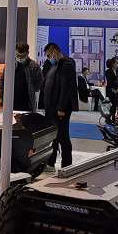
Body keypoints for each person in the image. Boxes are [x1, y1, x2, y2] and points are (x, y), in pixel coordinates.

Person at [38, 42, 78, 172]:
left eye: (49, 55)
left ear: (55, 51)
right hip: (51, 106)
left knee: (62, 136)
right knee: (52, 136)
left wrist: (61, 107)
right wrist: (45, 105)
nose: (48, 58)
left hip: (60, 108)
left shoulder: (67, 65)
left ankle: (66, 165)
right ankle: (50, 162)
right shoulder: (53, 66)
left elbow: (66, 88)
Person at [0, 41, 43, 112]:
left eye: (22, 56)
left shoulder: (34, 66)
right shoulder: (10, 64)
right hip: (10, 101)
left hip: (26, 103)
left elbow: (39, 83)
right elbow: (2, 80)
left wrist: (31, 91)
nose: (19, 58)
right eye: (17, 55)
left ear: (27, 53)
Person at [105, 57, 118, 122]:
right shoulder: (108, 72)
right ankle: (110, 117)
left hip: (117, 91)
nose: (117, 64)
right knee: (112, 104)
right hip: (111, 90)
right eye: (116, 62)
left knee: (115, 104)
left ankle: (111, 117)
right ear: (113, 63)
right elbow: (110, 82)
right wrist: (115, 88)